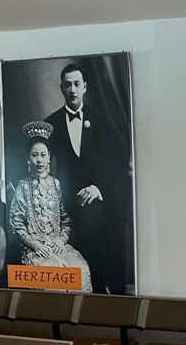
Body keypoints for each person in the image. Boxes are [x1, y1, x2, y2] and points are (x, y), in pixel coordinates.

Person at [45, 63, 120, 293]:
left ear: (85, 87)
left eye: (77, 84)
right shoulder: (51, 123)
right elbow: (40, 162)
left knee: (97, 265)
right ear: (62, 88)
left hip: (95, 203)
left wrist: (97, 188)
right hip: (65, 204)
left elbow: (113, 163)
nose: (72, 89)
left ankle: (98, 297)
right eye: (68, 85)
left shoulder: (102, 121)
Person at [9, 121, 92, 291]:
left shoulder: (56, 184)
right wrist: (36, 245)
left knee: (80, 268)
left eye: (43, 155)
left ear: (49, 157)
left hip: (57, 246)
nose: (39, 160)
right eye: (34, 155)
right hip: (35, 249)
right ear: (28, 158)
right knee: (51, 275)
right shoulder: (23, 186)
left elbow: (65, 221)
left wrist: (60, 241)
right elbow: (16, 225)